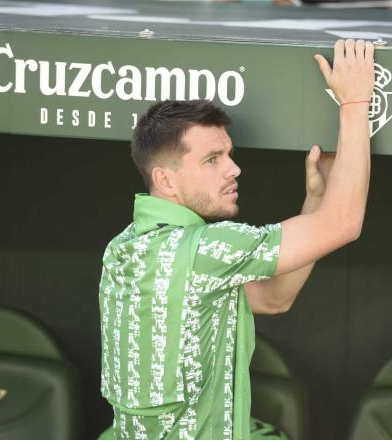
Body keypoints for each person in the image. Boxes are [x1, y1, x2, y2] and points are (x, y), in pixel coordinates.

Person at [98, 38, 375, 439]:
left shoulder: (123, 248)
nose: (234, 169)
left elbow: (272, 298)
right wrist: (353, 104)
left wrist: (316, 197)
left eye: (229, 154)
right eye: (212, 160)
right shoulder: (205, 250)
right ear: (165, 179)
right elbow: (344, 222)